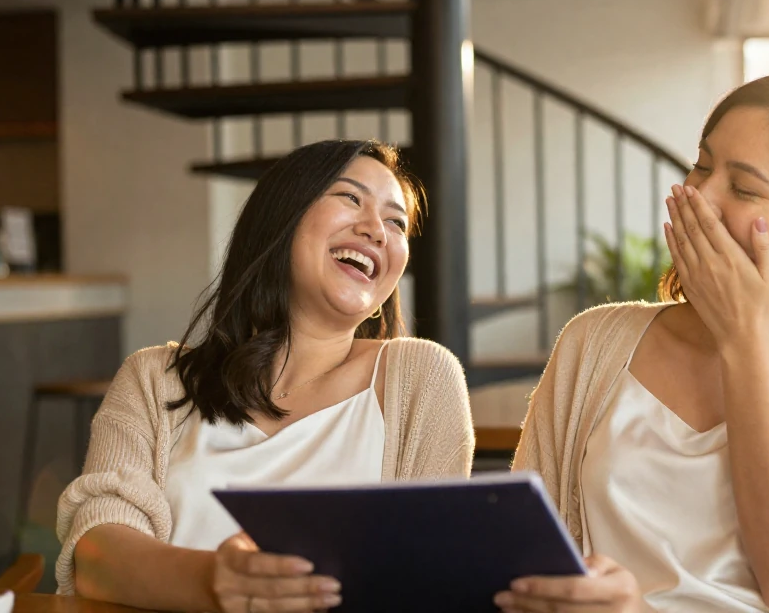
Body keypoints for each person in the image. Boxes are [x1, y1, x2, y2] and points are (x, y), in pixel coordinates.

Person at [497, 74, 769, 613]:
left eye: (743, 188)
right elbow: (524, 560)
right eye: (703, 165)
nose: (698, 197)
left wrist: (743, 340)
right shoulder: (592, 342)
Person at [55, 140, 473, 612]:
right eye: (350, 198)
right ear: (281, 217)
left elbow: (434, 579)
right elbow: (95, 553)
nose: (376, 229)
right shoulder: (155, 379)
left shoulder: (422, 379)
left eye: (396, 222)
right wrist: (217, 582)